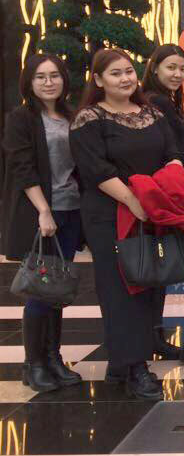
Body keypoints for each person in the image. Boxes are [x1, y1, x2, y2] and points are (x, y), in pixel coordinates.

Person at [69, 49, 184, 399]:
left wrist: (167, 186)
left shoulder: (151, 113)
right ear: (98, 80)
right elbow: (96, 171)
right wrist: (134, 202)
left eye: (128, 72)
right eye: (115, 73)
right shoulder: (89, 119)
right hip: (109, 213)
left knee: (148, 282)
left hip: (151, 211)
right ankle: (135, 368)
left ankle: (121, 364)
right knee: (120, 289)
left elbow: (173, 154)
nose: (125, 79)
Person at [2, 54, 83, 392]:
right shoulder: (21, 118)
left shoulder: (72, 115)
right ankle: (33, 365)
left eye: (54, 75)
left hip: (72, 210)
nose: (48, 82)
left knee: (57, 290)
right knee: (40, 289)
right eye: (40, 77)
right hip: (43, 213)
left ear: (64, 79)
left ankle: (53, 358)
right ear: (29, 82)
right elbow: (22, 167)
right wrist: (44, 210)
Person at [141, 44, 184, 360]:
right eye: (171, 67)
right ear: (155, 67)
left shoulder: (165, 99)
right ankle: (150, 335)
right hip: (161, 192)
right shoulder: (157, 101)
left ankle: (153, 334)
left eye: (182, 68)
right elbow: (173, 147)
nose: (177, 74)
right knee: (154, 267)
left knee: (157, 267)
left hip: (162, 191)